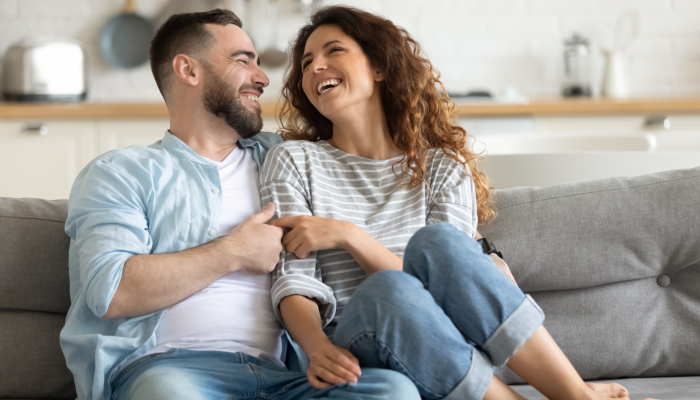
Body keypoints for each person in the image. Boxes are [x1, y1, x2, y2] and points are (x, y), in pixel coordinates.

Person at [260, 6, 656, 400]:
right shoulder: (294, 160)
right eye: (307, 61)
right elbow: (294, 279)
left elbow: (449, 285)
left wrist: (351, 236)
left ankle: (574, 396)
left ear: (379, 66)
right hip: (358, 339)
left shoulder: (443, 168)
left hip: (448, 343)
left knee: (441, 244)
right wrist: (316, 348)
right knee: (389, 291)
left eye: (334, 51)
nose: (315, 67)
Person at [60, 9, 419, 400]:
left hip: (287, 379)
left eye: (260, 64)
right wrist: (233, 252)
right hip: (170, 371)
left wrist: (481, 253)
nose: (263, 78)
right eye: (243, 60)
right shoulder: (121, 173)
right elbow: (110, 292)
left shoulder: (287, 160)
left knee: (393, 390)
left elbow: (383, 200)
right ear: (188, 70)